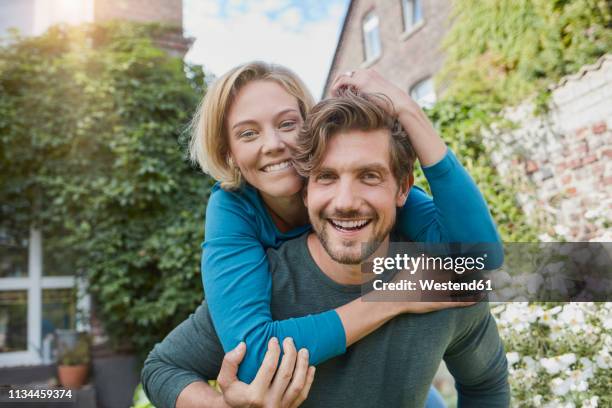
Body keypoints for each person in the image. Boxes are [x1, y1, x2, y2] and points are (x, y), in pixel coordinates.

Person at [141, 92, 510, 408]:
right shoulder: (262, 286)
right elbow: (160, 369)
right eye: (327, 177)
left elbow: (486, 383)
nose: (346, 202)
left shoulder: (443, 278)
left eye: (369, 176)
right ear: (306, 188)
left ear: (402, 188)